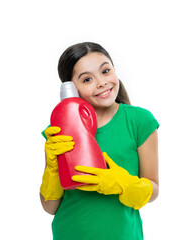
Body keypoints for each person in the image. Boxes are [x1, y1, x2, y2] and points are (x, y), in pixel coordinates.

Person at [39, 42, 160, 240]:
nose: (102, 82)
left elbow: (153, 189)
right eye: (87, 79)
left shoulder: (139, 121)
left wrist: (122, 183)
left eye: (105, 71)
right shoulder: (59, 129)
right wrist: (52, 171)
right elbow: (50, 207)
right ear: (71, 89)